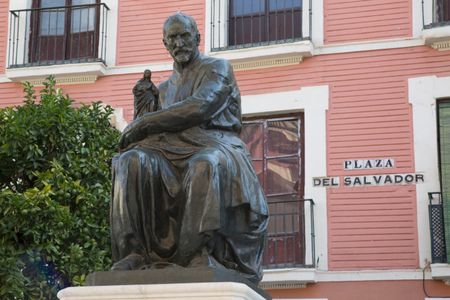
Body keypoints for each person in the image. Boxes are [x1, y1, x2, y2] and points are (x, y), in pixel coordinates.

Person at [110, 12, 268, 284]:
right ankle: (134, 252)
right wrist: (144, 107)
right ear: (165, 43)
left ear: (197, 37)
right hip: (170, 149)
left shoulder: (218, 68)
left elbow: (201, 106)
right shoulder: (163, 89)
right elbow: (149, 133)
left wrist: (146, 120)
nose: (180, 43)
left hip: (216, 143)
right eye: (173, 38)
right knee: (131, 161)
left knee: (204, 164)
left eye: (185, 35)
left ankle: (195, 252)